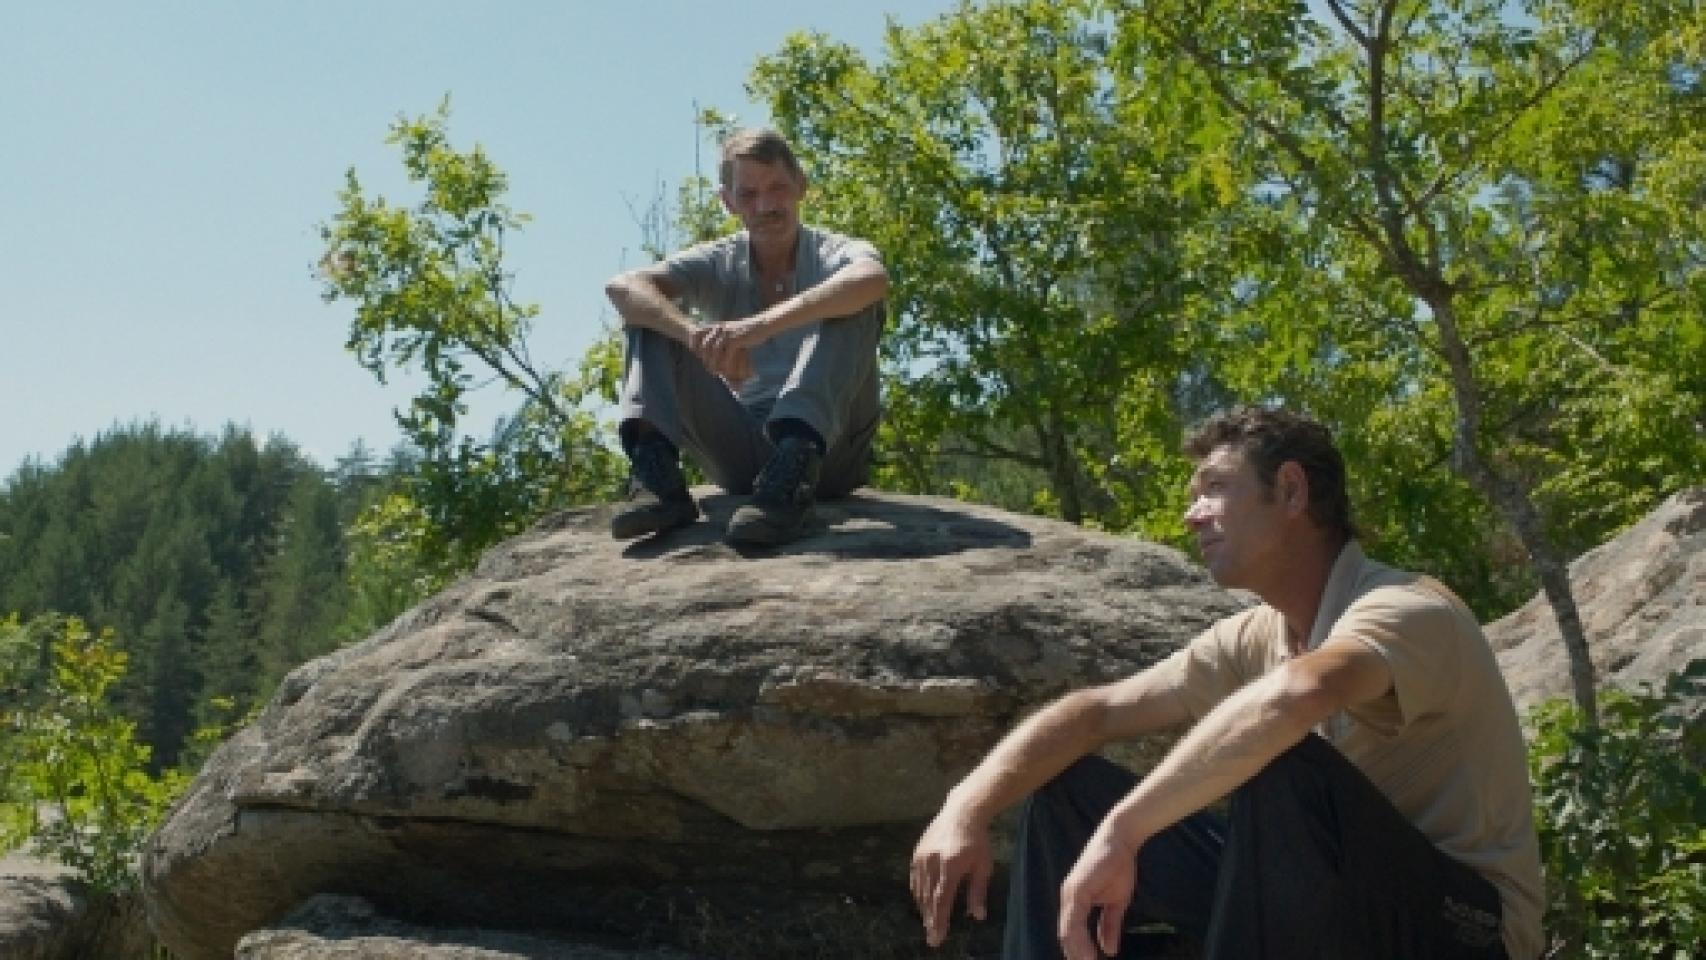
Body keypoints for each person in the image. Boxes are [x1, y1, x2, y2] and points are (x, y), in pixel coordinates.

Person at [910, 408, 1543, 959]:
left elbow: (1299, 695)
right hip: (1336, 909)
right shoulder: (1252, 636)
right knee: (1067, 789)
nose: (1192, 515)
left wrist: (1125, 831)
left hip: (1466, 932)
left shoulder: (1407, 607)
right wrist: (965, 806)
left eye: (1214, 490)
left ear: (1291, 491)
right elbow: (1093, 714)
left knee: (1283, 763)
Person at [603, 127, 888, 546]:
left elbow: (871, 278)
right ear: (728, 202)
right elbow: (623, 286)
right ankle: (656, 479)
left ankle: (793, 475)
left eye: (777, 188)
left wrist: (753, 329)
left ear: (801, 187)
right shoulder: (719, 260)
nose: (766, 205)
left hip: (831, 452)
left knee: (856, 298)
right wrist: (699, 339)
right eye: (749, 194)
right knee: (648, 314)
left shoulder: (836, 251)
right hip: (743, 455)